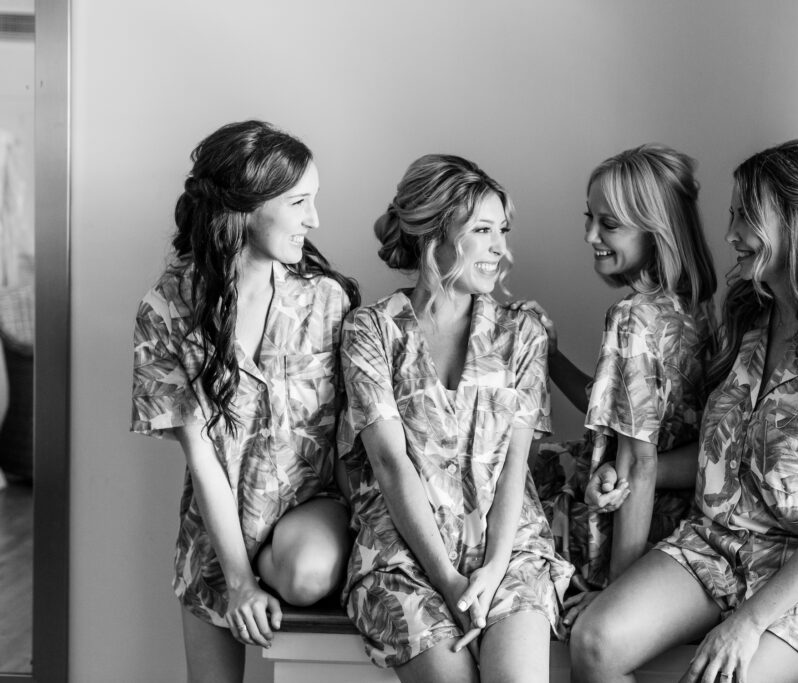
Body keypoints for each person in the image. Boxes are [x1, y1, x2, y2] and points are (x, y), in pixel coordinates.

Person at [570, 139, 798, 683]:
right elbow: (726, 460)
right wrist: (628, 469)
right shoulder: (750, 322)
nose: (730, 233)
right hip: (719, 544)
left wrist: (748, 623)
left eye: (745, 218)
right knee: (594, 642)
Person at [130, 120, 360, 683]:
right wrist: (238, 580)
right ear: (245, 207)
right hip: (217, 527)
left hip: (313, 509)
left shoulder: (327, 300)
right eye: (299, 202)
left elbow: (355, 437)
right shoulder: (167, 308)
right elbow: (202, 455)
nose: (314, 219)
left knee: (306, 574)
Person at [337, 154, 572, 682]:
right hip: (404, 553)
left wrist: (492, 570)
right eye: (483, 230)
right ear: (434, 234)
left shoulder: (522, 332)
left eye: (502, 231)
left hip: (508, 546)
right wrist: (447, 580)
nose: (500, 248)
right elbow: (390, 465)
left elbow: (516, 468)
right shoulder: (371, 331)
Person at [512, 144, 717, 625]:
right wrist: (550, 355)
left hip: (630, 534)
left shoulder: (631, 318)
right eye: (589, 218)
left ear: (655, 229)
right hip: (680, 520)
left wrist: (617, 594)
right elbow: (622, 411)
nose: (590, 235)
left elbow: (640, 464)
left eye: (608, 224)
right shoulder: (693, 308)